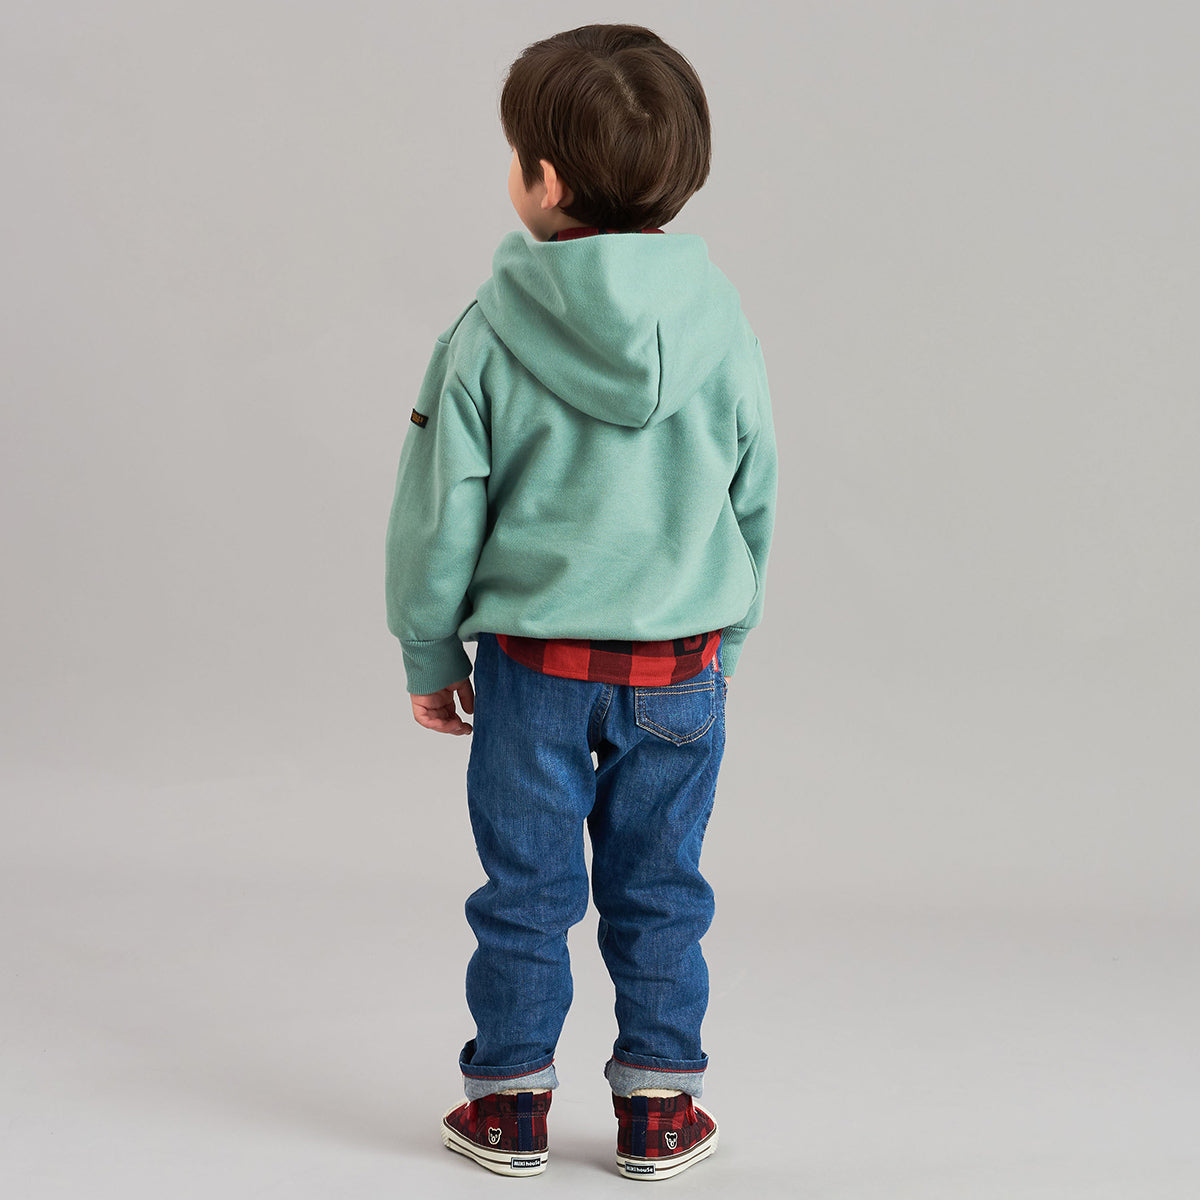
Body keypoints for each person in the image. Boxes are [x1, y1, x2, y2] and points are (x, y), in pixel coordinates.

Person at [384, 23, 778, 1181]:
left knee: (526, 893)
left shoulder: (486, 331)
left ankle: (509, 1106)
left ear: (544, 182)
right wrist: (728, 637)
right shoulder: (723, 325)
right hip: (681, 672)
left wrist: (428, 652)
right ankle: (660, 1112)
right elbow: (753, 490)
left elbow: (438, 508)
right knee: (662, 892)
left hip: (536, 673)